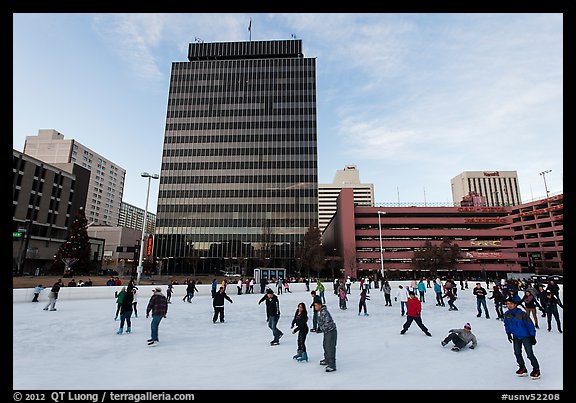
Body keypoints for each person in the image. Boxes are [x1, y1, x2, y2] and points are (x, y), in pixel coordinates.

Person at [503, 297, 540, 379]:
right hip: (516, 336)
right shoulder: (507, 314)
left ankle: (536, 369)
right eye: (508, 304)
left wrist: (532, 336)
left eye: (511, 304)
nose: (509, 305)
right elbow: (506, 324)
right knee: (517, 353)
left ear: (515, 304)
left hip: (525, 336)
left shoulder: (522, 314)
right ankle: (522, 367)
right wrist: (508, 333)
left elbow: (530, 325)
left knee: (529, 354)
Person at [313, 299, 337, 372]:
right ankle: (327, 359)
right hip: (326, 332)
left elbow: (328, 323)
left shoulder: (324, 312)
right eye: (314, 306)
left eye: (316, 305)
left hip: (331, 331)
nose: (315, 307)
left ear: (320, 305)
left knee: (330, 347)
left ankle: (332, 365)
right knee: (325, 345)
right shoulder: (319, 312)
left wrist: (321, 328)